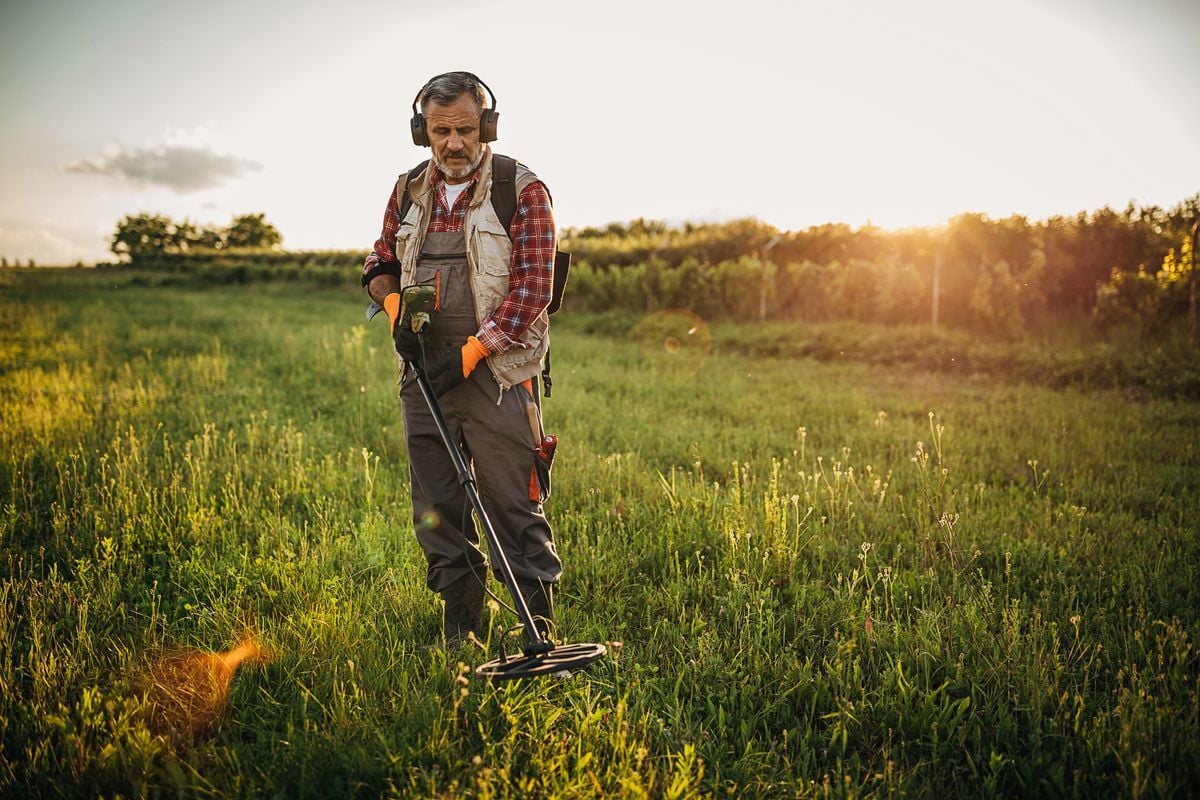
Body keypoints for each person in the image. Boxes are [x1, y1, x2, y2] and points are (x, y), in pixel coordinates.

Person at [361, 71, 560, 644]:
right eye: (441, 130)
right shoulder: (406, 191)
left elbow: (532, 291)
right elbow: (378, 262)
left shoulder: (520, 190)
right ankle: (462, 626)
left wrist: (475, 349)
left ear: (486, 127)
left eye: (466, 130)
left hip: (497, 374)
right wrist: (395, 305)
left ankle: (535, 626)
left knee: (511, 500)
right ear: (422, 130)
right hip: (424, 374)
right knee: (439, 505)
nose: (453, 143)